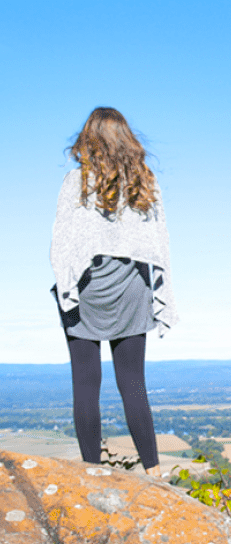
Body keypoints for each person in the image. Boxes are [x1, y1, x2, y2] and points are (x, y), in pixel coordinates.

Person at [50, 107, 177, 478]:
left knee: (85, 383)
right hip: (132, 286)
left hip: (87, 286)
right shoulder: (144, 182)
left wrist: (66, 286)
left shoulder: (76, 182)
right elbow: (159, 242)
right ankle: (154, 470)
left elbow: (62, 241)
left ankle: (92, 471)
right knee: (133, 382)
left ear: (88, 139)